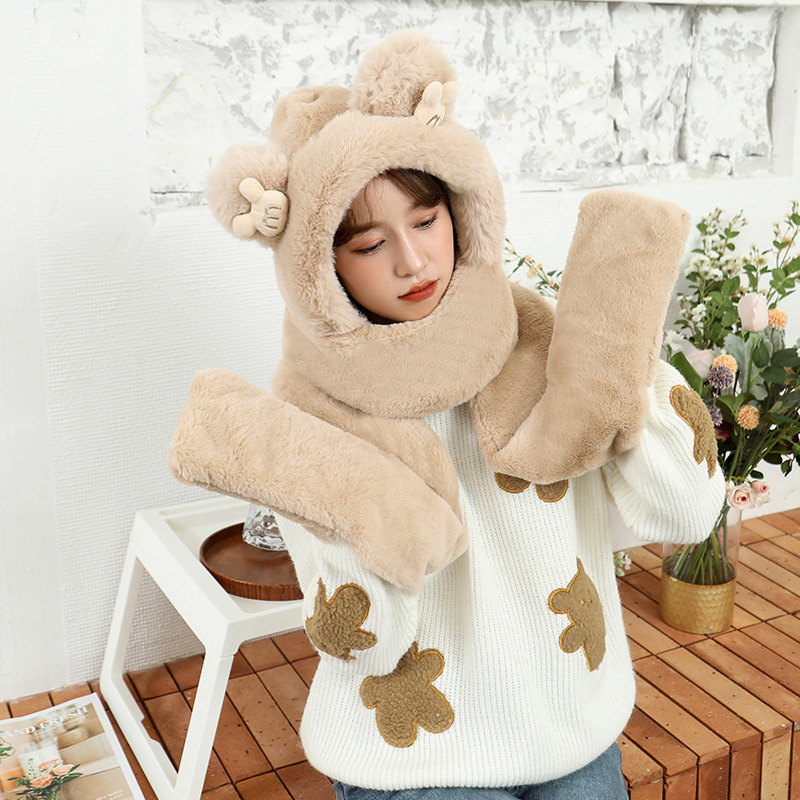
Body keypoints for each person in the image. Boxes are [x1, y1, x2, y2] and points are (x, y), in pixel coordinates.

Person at [170, 30, 726, 800]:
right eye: (370, 244)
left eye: (426, 220)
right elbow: (364, 643)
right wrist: (364, 512)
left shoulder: (543, 337)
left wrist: (623, 348)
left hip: (571, 731)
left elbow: (685, 511)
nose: (412, 261)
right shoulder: (308, 413)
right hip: (411, 764)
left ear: (462, 210)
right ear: (320, 265)